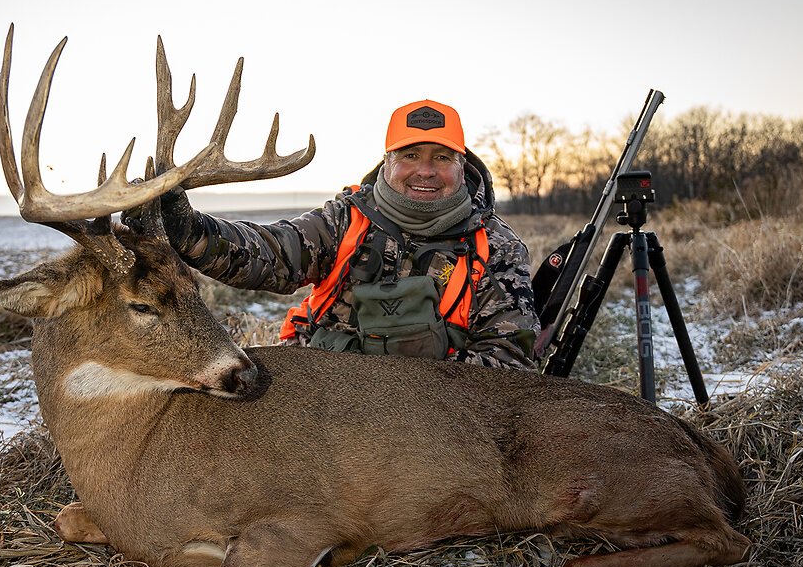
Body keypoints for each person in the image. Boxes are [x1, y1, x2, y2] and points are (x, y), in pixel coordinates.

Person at [160, 99, 540, 370]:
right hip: (320, 383)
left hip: (429, 413)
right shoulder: (347, 218)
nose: (425, 171)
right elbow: (272, 253)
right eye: (410, 155)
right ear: (387, 161)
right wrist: (192, 231)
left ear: (462, 164)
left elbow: (509, 356)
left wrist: (418, 405)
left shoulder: (496, 247)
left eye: (441, 157)